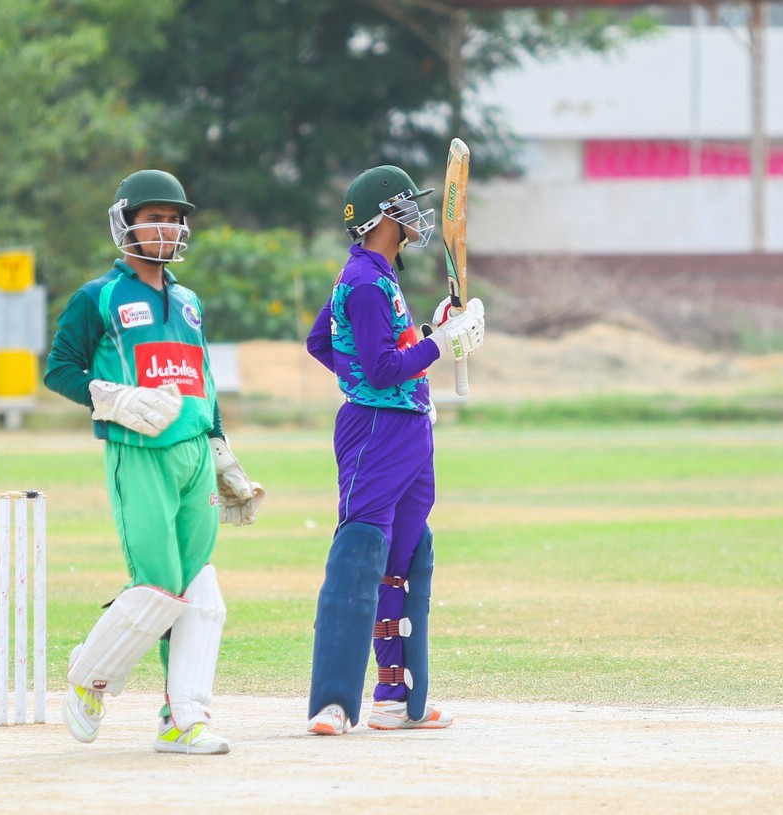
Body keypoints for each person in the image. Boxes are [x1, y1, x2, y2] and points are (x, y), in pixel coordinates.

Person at [44, 169, 264, 755]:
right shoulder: (99, 297)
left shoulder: (189, 303)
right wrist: (113, 398)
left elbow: (202, 382)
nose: (166, 229)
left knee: (200, 591)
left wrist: (221, 449)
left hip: (194, 457)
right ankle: (89, 677)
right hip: (139, 453)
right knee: (160, 586)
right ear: (126, 225)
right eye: (154, 219)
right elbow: (59, 369)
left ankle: (181, 719)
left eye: (173, 220)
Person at [304, 166, 485, 735]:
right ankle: (332, 703)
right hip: (376, 432)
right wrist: (438, 346)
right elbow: (380, 369)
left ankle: (396, 697)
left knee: (404, 560)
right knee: (360, 551)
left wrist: (427, 337)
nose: (416, 216)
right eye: (406, 206)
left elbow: (324, 341)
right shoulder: (362, 281)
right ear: (383, 217)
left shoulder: (378, 274)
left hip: (410, 429)